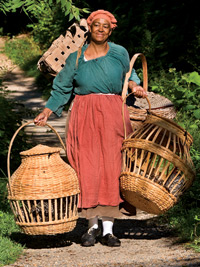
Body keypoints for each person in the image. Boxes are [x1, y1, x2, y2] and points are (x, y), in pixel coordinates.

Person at [34, 9, 147, 247]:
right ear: (90, 28)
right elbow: (62, 88)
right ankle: (91, 227)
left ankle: (109, 230)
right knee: (86, 166)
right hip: (83, 114)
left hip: (113, 112)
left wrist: (135, 86)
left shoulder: (119, 53)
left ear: (111, 29)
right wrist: (46, 112)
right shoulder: (76, 57)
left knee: (112, 166)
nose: (101, 29)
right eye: (97, 25)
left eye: (106, 26)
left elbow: (131, 74)